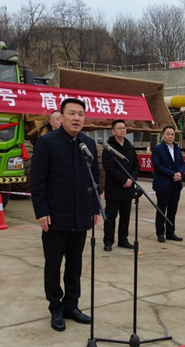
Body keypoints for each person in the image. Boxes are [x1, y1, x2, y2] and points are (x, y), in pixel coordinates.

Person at [31, 98, 99, 332]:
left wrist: (95, 208)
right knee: (53, 264)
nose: (77, 118)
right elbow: (37, 181)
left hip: (81, 216)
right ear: (61, 117)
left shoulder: (88, 143)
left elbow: (94, 179)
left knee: (75, 264)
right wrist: (41, 211)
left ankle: (72, 305)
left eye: (81, 114)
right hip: (55, 217)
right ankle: (56, 308)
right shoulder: (47, 143)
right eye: (72, 113)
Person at [102, 119, 139, 251]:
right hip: (114, 188)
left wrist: (131, 180)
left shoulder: (129, 146)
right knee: (111, 217)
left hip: (128, 189)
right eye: (119, 128)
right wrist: (124, 180)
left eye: (124, 128)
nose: (122, 130)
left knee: (125, 217)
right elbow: (109, 168)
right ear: (113, 131)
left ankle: (123, 240)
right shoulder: (109, 148)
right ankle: (108, 242)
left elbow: (136, 165)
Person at [151, 125, 185, 243]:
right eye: (168, 134)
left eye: (172, 134)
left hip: (176, 184)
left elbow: (182, 163)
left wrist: (180, 173)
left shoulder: (177, 148)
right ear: (163, 135)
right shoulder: (157, 149)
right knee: (162, 209)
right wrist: (172, 174)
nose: (170, 136)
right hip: (163, 184)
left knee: (172, 209)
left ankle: (170, 232)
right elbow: (157, 166)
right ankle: (160, 232)